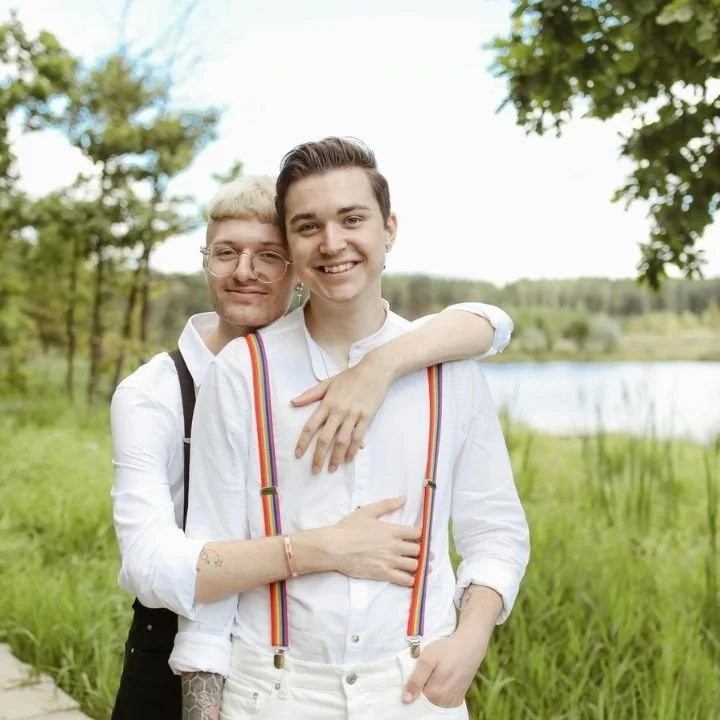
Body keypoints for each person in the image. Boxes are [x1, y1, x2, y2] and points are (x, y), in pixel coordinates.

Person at [110, 174, 515, 719]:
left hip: (401, 688)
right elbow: (153, 564)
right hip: (190, 642)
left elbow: (492, 325)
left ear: (294, 269)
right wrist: (323, 548)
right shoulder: (160, 392)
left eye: (268, 255)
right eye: (225, 252)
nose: (245, 272)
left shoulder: (432, 366)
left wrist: (380, 365)